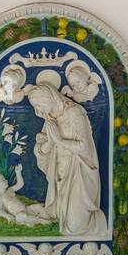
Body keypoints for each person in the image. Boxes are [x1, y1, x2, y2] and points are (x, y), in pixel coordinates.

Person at [27, 71, 108, 238]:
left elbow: (84, 147)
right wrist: (50, 142)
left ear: (49, 98)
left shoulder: (74, 113)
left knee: (74, 228)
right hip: (59, 177)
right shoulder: (50, 118)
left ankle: (96, 220)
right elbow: (41, 150)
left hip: (79, 175)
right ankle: (57, 208)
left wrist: (59, 140)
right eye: (36, 107)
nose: (38, 110)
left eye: (39, 105)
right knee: (54, 216)